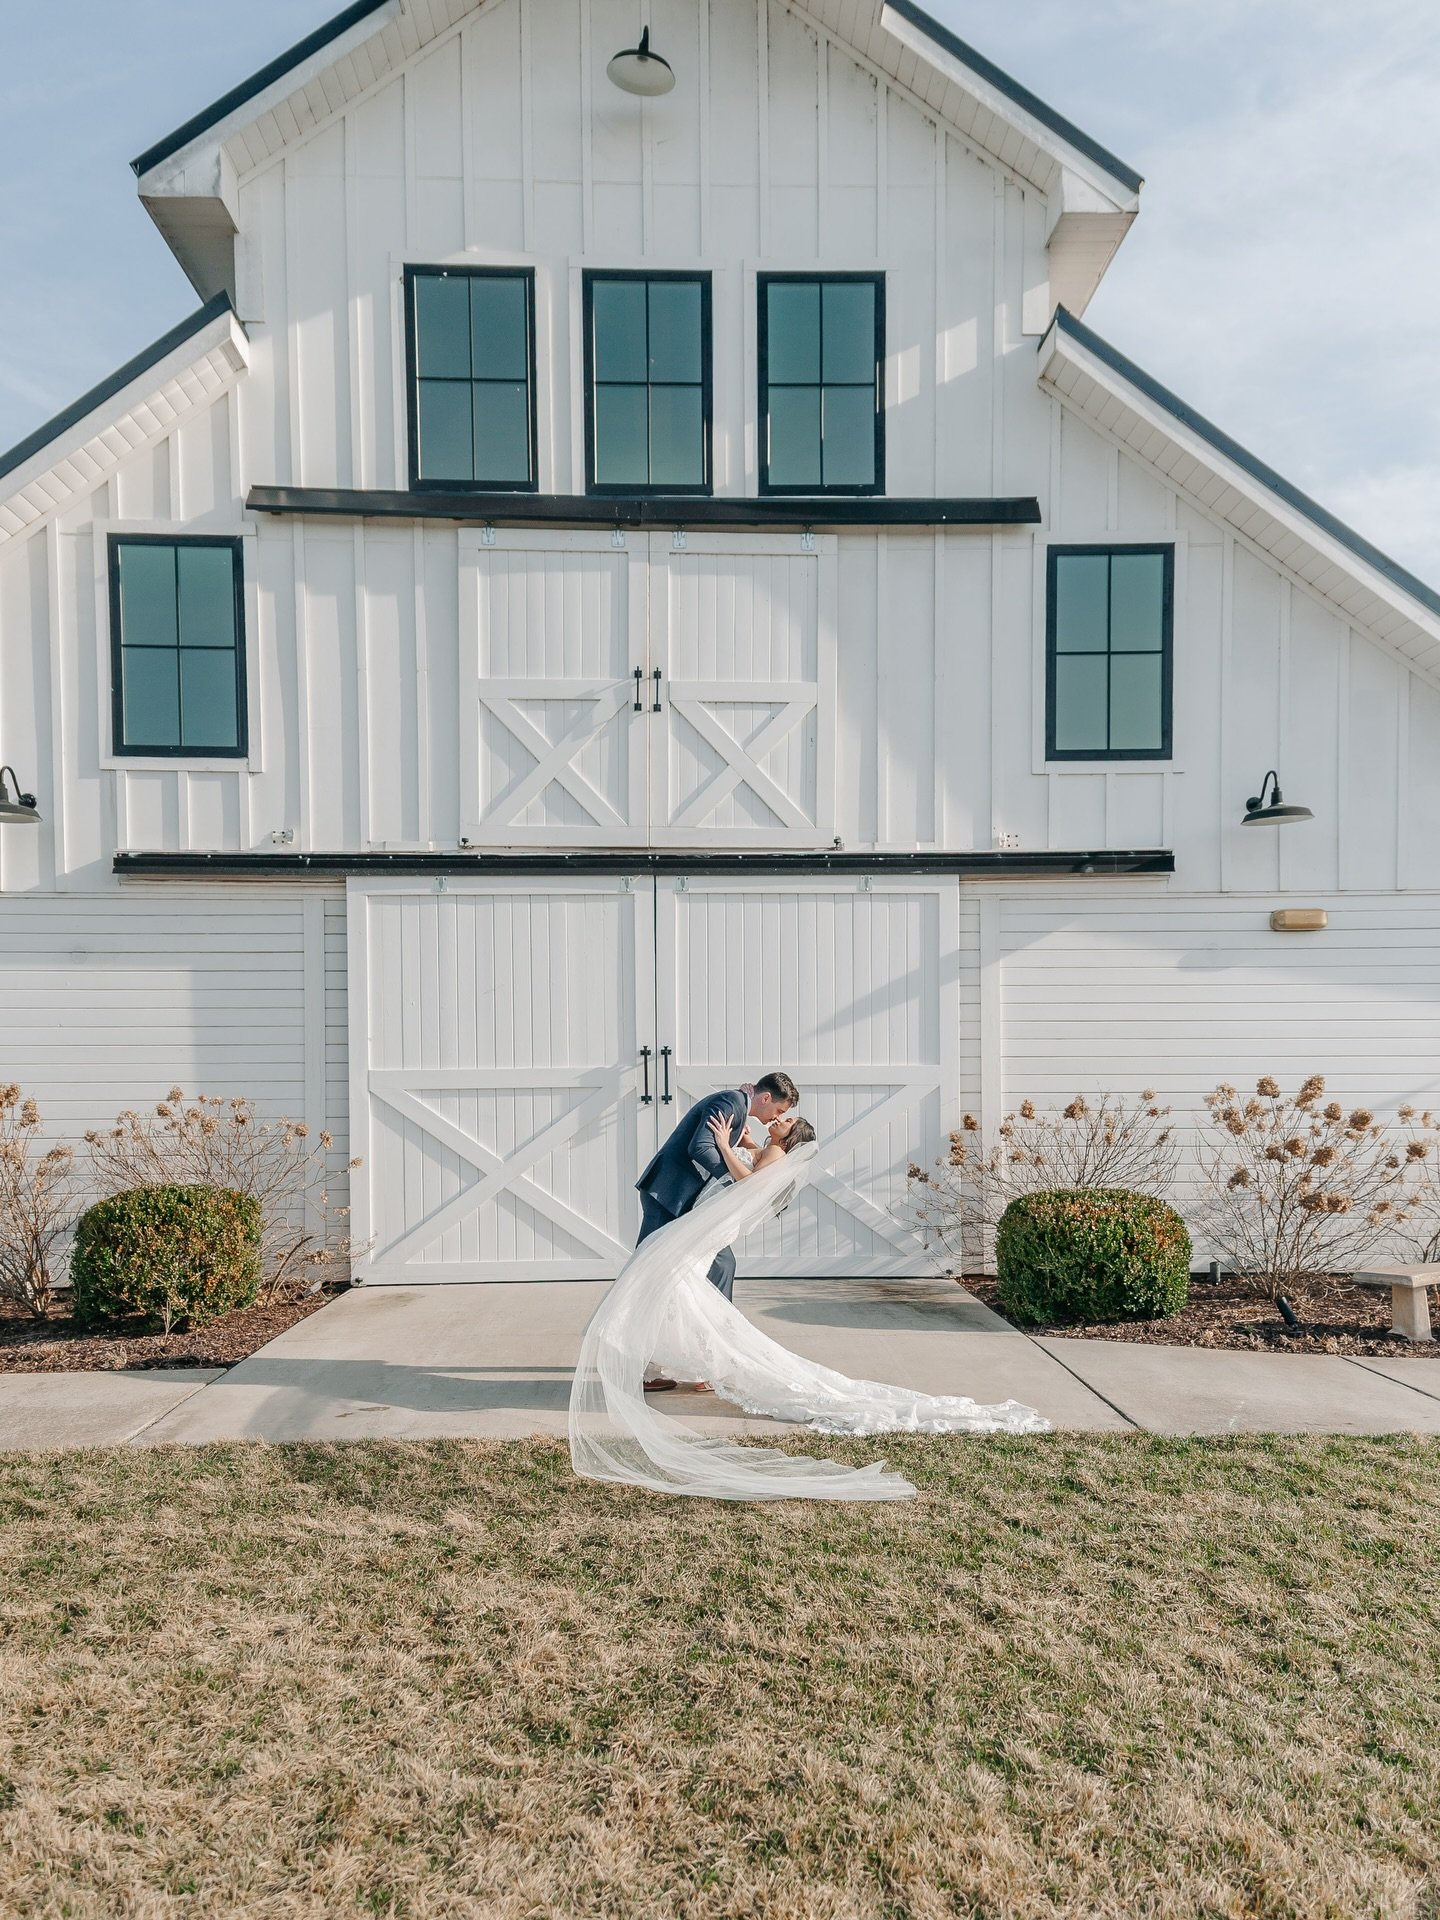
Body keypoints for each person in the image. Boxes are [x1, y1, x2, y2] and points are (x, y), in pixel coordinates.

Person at [569, 1139, 1049, 1503]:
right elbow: (759, 1163)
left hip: (710, 1226)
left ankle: (675, 1361)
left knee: (674, 1286)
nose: (774, 1122)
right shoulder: (772, 1148)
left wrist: (724, 1146)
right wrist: (749, 1142)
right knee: (677, 1290)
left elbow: (747, 1180)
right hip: (711, 1227)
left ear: (789, 1133)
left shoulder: (776, 1150)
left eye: (781, 1120)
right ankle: (676, 1363)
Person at [634, 1070, 799, 1297]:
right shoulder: (731, 1102)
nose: (776, 1117)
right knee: (646, 1264)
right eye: (779, 1110)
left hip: (681, 1196)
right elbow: (700, 1147)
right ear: (766, 1098)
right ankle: (629, 1313)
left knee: (713, 1263)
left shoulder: (738, 1105)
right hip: (669, 1191)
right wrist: (733, 1181)